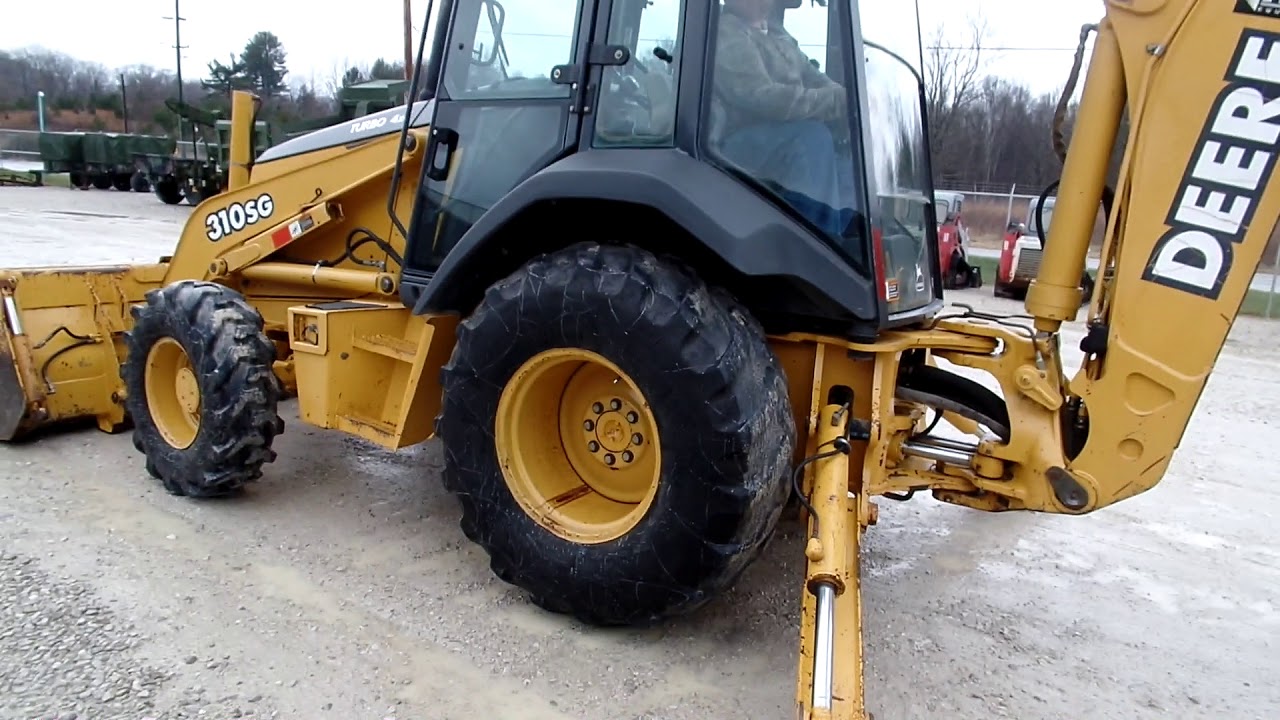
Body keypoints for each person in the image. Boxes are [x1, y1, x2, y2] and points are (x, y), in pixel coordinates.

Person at [710, 0, 858, 239]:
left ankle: (848, 242)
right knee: (811, 139)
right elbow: (763, 98)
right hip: (730, 148)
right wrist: (835, 101)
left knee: (847, 158)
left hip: (778, 139)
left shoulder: (778, 35)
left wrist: (848, 99)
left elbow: (815, 77)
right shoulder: (726, 33)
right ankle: (817, 246)